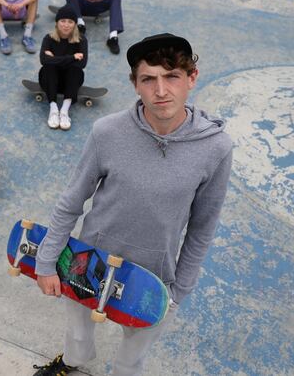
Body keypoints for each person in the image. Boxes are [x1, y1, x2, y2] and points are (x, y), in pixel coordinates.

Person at [31, 33, 233, 376]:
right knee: (77, 333)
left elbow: (202, 228)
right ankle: (72, 363)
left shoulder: (216, 148)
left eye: (172, 77)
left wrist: (179, 291)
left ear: (191, 79)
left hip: (154, 276)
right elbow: (72, 201)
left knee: (131, 360)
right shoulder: (107, 132)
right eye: (148, 79)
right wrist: (46, 261)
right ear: (135, 84)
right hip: (88, 261)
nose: (161, 90)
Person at [38, 5, 88, 131]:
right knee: (48, 68)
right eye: (63, 21)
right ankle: (53, 109)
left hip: (70, 81)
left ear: (75, 25)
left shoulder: (81, 40)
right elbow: (44, 61)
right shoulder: (48, 38)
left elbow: (82, 64)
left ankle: (64, 111)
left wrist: (54, 59)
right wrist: (72, 58)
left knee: (75, 70)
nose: (66, 25)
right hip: (50, 79)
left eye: (70, 22)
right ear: (57, 23)